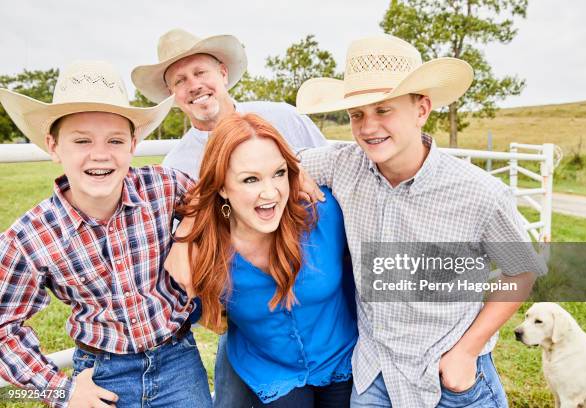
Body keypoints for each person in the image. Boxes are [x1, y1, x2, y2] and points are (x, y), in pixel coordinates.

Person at [295, 34, 543, 407]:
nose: (367, 127)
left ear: (421, 109)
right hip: (375, 372)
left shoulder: (478, 192)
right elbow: (272, 164)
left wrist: (467, 350)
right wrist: (293, 172)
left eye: (383, 110)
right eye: (357, 114)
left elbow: (522, 271)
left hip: (447, 374)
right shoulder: (343, 164)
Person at [131, 28, 327, 407]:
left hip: (316, 289)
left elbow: (332, 180)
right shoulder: (180, 165)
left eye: (200, 72)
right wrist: (190, 222)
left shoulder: (282, 119)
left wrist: (297, 168)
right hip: (247, 307)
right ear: (173, 95)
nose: (193, 86)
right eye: (179, 81)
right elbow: (188, 238)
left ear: (222, 72)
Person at [0, 61, 212, 408]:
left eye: (114, 140)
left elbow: (215, 198)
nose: (100, 154)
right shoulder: (30, 236)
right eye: (82, 140)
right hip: (100, 375)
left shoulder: (163, 187)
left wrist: (187, 230)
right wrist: (58, 390)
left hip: (177, 360)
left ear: (133, 143)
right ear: (53, 146)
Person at [164, 113, 357, 407]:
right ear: (222, 187)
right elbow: (171, 319)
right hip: (270, 373)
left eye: (278, 173)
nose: (270, 193)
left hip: (342, 362)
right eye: (250, 179)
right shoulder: (205, 252)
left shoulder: (323, 213)